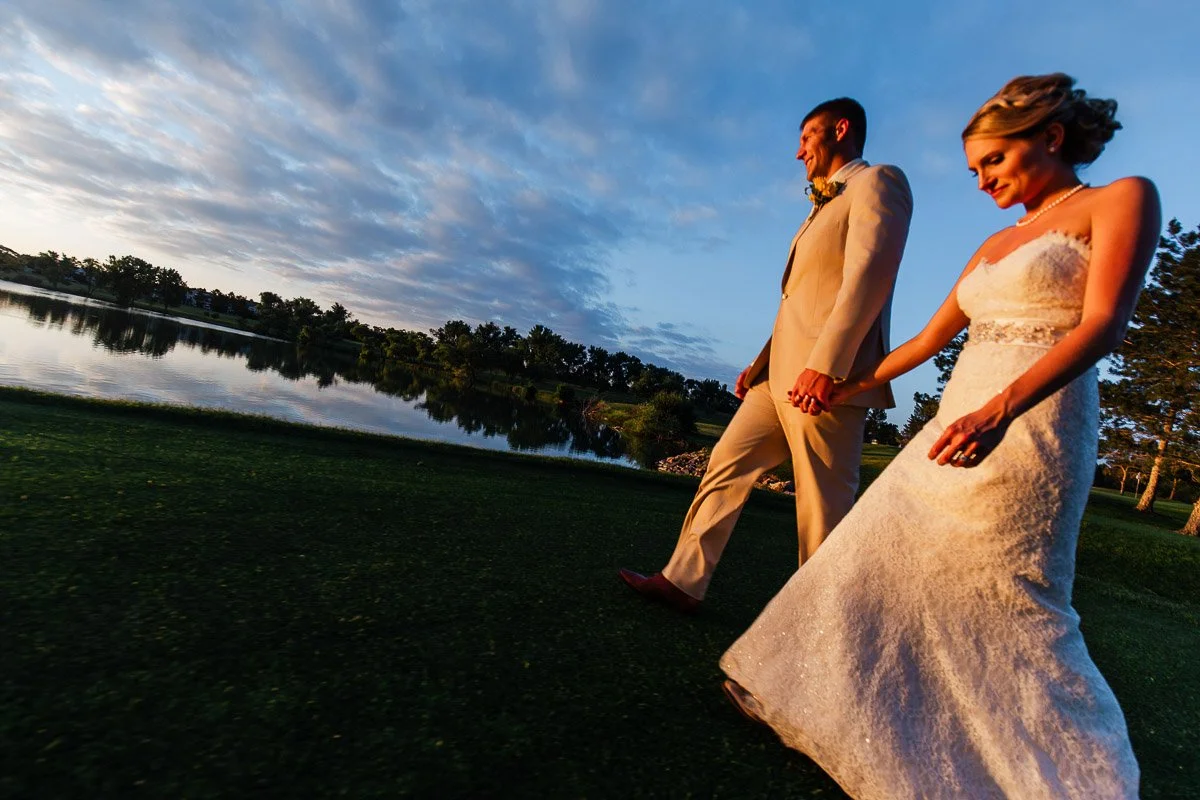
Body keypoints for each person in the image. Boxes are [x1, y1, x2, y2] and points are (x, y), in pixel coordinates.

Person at [719, 73, 1160, 799]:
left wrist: (1002, 411)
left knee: (1015, 596)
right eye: (973, 170)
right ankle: (810, 697)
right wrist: (840, 387)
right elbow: (925, 341)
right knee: (869, 552)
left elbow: (1103, 325)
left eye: (992, 162)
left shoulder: (1123, 198)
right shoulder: (994, 242)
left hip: (1035, 428)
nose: (982, 181)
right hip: (954, 422)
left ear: (1048, 138)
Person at [619, 98, 913, 613]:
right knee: (724, 464)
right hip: (775, 380)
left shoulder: (879, 182)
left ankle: (819, 633)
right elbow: (800, 301)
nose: (798, 152)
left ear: (840, 130)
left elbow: (869, 277)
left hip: (826, 382)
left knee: (822, 510)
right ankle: (683, 581)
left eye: (806, 138)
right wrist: (760, 366)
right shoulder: (817, 209)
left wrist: (826, 365)